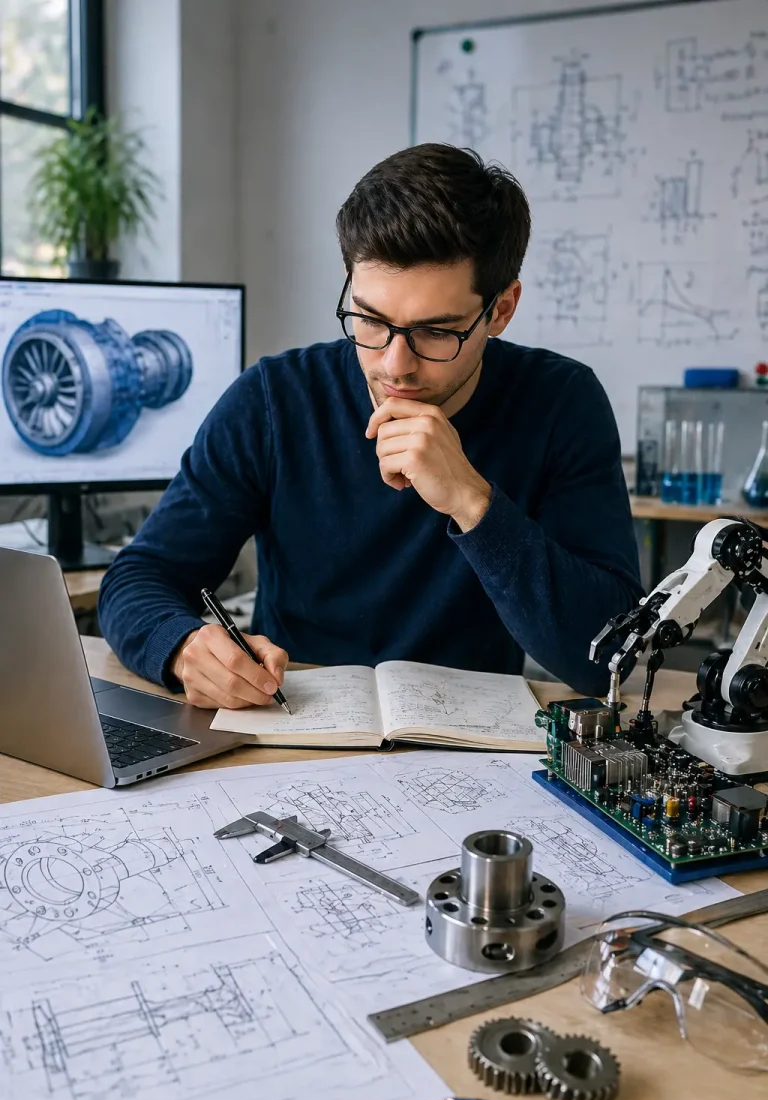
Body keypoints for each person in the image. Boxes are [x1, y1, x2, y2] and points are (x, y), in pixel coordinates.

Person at [98, 143, 643, 710]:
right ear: (348, 284)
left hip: (464, 747)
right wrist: (183, 647)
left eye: (437, 331)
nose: (393, 364)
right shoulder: (274, 399)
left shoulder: (561, 402)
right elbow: (139, 577)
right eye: (370, 319)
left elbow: (606, 659)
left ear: (501, 310)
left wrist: (472, 501)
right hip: (289, 731)